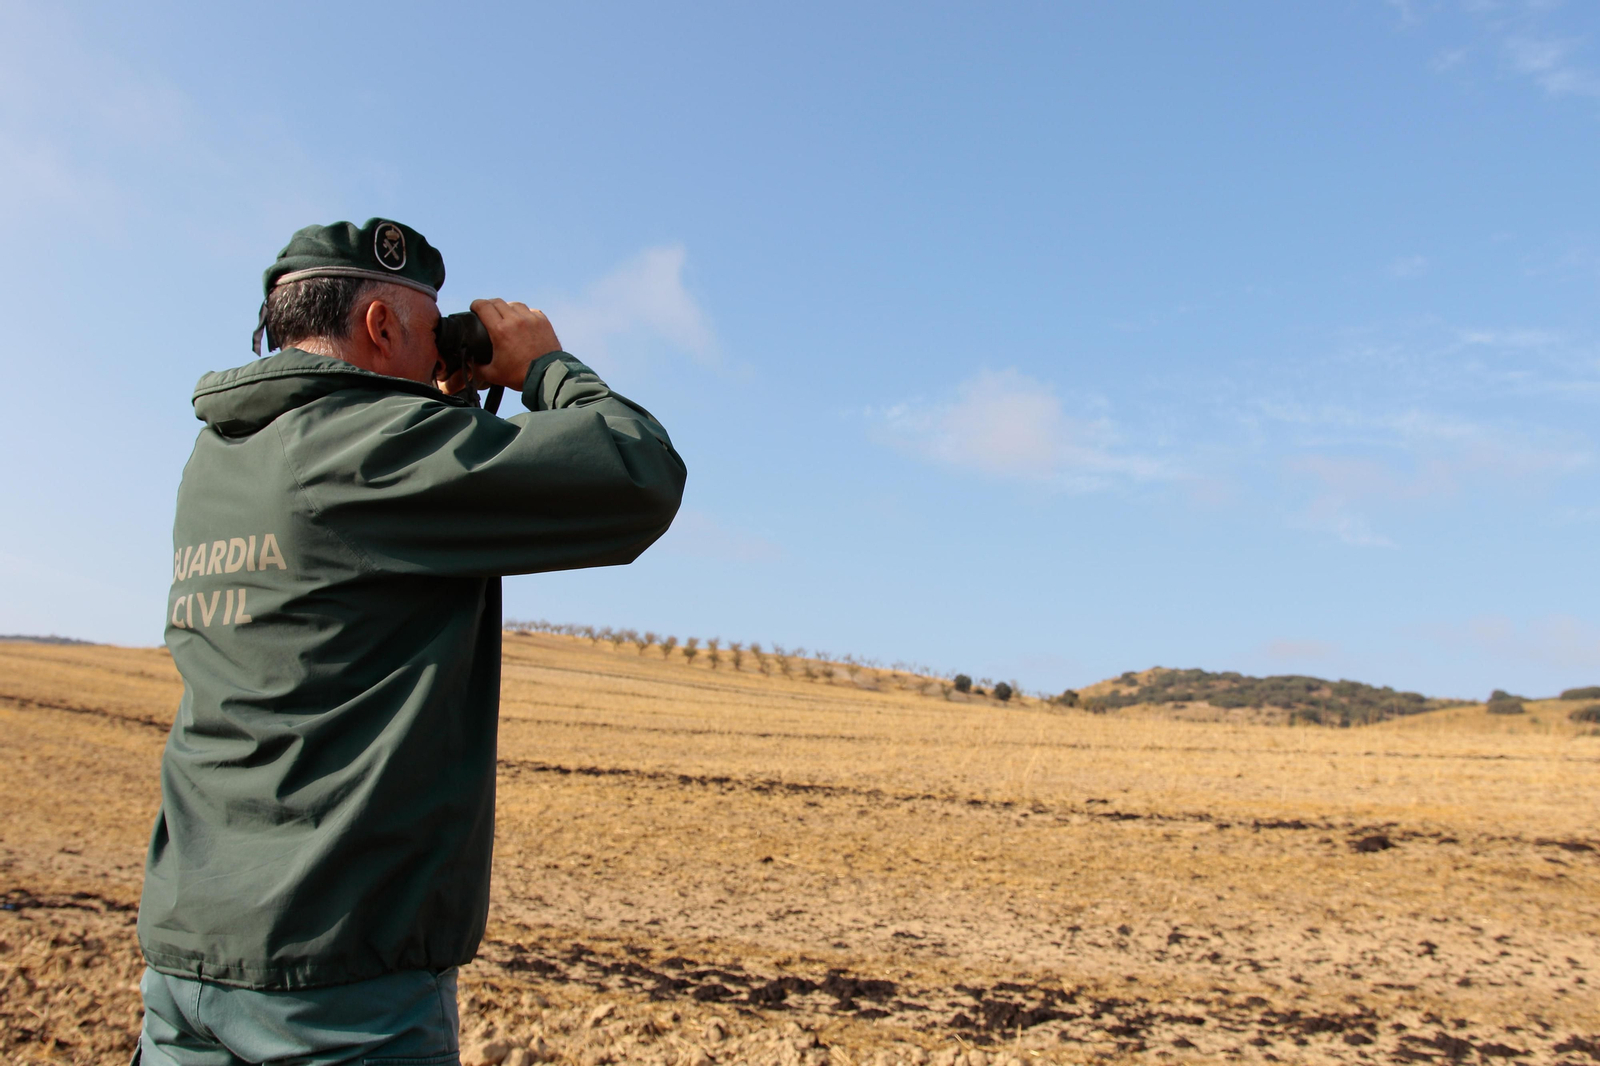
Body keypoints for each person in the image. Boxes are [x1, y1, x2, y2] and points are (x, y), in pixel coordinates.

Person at [134, 218, 687, 1065]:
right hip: (335, 985)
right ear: (381, 326)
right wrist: (545, 367)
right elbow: (637, 472)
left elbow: (367, 561)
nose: (440, 350)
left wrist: (448, 402)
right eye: (430, 329)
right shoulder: (368, 449)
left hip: (192, 953)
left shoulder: (219, 458)